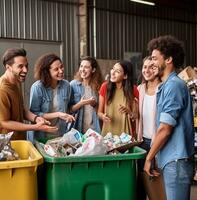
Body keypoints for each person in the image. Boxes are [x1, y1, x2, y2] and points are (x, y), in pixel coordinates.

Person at [143, 35, 195, 200]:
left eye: (154, 58)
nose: (151, 63)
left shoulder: (173, 86)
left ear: (168, 59)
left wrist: (149, 158)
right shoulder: (167, 86)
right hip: (172, 161)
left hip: (177, 162)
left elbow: (165, 129)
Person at [0, 48, 58, 140]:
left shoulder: (16, 83)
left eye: (26, 66)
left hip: (20, 141)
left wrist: (36, 119)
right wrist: (35, 127)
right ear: (8, 67)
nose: (26, 70)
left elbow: (21, 110)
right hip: (6, 144)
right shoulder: (2, 90)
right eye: (20, 66)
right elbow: (4, 122)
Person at [28, 53, 75, 142]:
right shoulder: (37, 87)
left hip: (60, 134)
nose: (61, 71)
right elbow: (34, 114)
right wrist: (58, 114)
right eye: (56, 69)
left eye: (61, 67)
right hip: (41, 135)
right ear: (47, 72)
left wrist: (68, 115)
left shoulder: (66, 85)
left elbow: (68, 108)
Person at [137, 56, 161, 200]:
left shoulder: (163, 88)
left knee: (157, 182)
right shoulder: (140, 89)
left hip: (159, 142)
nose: (147, 70)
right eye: (145, 67)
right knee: (141, 182)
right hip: (142, 141)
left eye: (151, 67)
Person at [98, 60, 139, 137]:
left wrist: (129, 112)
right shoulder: (105, 87)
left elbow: (136, 116)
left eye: (117, 71)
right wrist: (103, 116)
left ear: (125, 76)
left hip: (126, 136)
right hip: (108, 133)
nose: (113, 72)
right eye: (113, 69)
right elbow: (99, 112)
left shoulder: (133, 89)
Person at [70, 56, 103, 134]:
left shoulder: (99, 86)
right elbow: (69, 110)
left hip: (95, 128)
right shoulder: (73, 85)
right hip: (78, 129)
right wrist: (81, 103)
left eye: (86, 67)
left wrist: (94, 105)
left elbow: (102, 110)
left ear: (93, 70)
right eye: (81, 66)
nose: (82, 70)